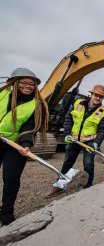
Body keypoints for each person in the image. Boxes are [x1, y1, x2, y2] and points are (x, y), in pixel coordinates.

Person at [0, 68, 49, 226]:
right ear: (14, 82)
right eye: (24, 82)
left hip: (14, 145)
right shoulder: (2, 94)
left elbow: (29, 127)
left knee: (11, 179)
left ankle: (6, 213)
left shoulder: (37, 105)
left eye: (31, 84)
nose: (28, 86)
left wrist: (25, 145)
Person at [46, 85, 104, 197]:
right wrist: (67, 134)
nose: (98, 98)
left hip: (90, 141)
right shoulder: (78, 103)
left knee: (88, 164)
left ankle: (88, 187)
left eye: (101, 97)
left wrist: (96, 142)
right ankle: (60, 185)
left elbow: (103, 130)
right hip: (74, 140)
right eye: (96, 95)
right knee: (67, 162)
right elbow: (69, 119)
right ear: (91, 94)